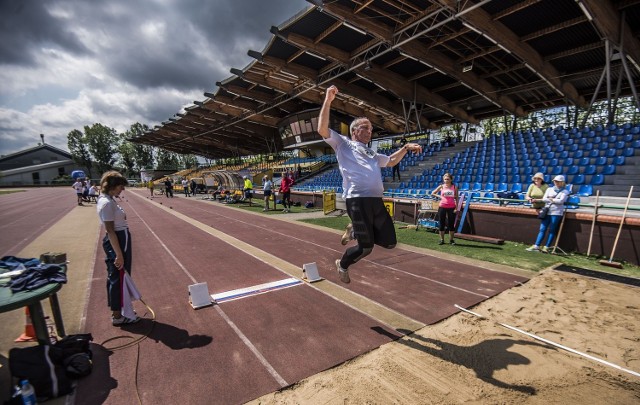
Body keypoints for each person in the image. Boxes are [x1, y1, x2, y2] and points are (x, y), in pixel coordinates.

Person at [318, 85, 422, 283]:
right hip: (357, 199)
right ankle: (343, 264)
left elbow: (390, 161)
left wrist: (406, 148)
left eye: (371, 129)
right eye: (367, 128)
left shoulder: (372, 153)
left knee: (390, 243)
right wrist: (328, 100)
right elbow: (321, 129)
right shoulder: (343, 143)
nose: (370, 131)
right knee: (366, 247)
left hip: (375, 200)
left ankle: (355, 230)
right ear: (355, 130)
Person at [96, 171, 140, 325]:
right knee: (118, 277)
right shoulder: (107, 203)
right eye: (121, 187)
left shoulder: (108, 199)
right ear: (112, 186)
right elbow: (110, 230)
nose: (122, 190)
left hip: (120, 238)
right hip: (118, 240)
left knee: (119, 276)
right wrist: (119, 254)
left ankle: (121, 311)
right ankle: (118, 315)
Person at [526, 175, 570, 253]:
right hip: (547, 211)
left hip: (557, 212)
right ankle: (537, 245)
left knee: (552, 229)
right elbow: (544, 199)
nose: (556, 183)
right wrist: (553, 200)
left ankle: (547, 247)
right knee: (542, 229)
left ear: (562, 182)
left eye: (558, 181)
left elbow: (561, 201)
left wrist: (551, 199)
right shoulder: (550, 189)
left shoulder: (565, 191)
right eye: (555, 181)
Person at [430, 172, 459, 245]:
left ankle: (451, 240)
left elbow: (457, 198)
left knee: (451, 224)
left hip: (451, 207)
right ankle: (442, 239)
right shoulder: (441, 186)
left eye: (448, 179)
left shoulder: (454, 187)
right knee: (441, 223)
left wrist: (456, 207)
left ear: (451, 179)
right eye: (445, 179)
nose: (446, 180)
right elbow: (433, 193)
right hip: (442, 207)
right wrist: (440, 196)